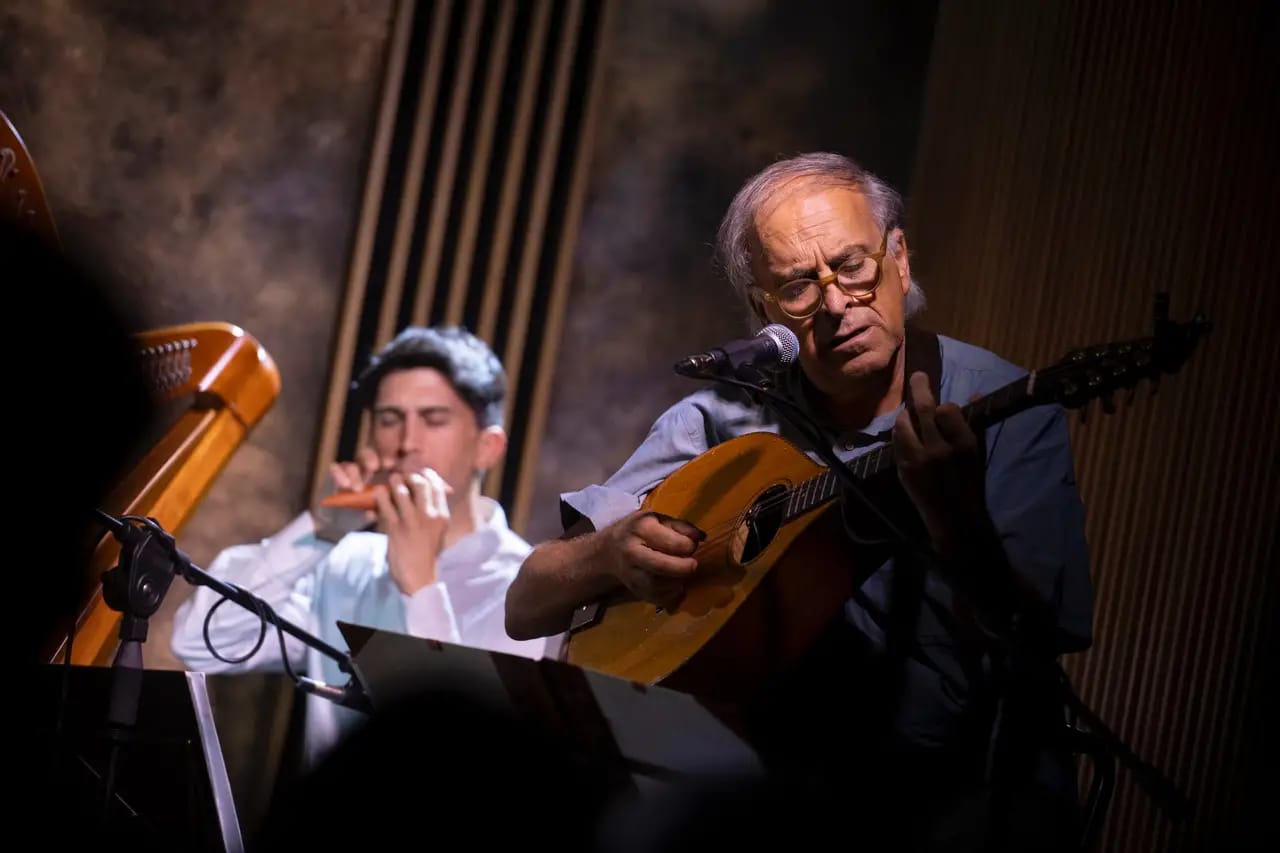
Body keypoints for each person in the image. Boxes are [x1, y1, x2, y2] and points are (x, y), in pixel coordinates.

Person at [506, 152, 1093, 851]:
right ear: (764, 311)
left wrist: (956, 522)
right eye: (798, 287)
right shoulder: (719, 422)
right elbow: (526, 604)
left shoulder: (1001, 408)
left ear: (900, 260)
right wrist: (609, 552)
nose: (837, 305)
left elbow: (1042, 635)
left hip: (963, 803)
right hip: (770, 803)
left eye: (852, 266)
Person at [172, 325, 545, 767]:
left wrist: (421, 586)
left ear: (488, 447)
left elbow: (464, 758)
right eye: (389, 419)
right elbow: (201, 639)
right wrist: (323, 528)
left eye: (433, 419)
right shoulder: (345, 561)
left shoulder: (529, 589)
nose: (406, 443)